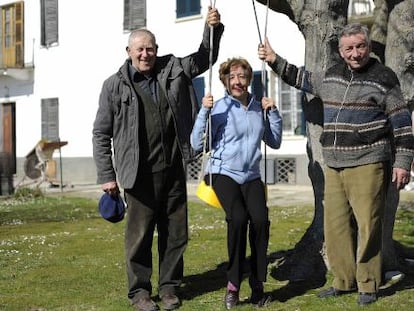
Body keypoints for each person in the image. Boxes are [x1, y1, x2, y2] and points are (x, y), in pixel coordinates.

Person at [258, 23, 414, 306]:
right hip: (334, 163)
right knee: (336, 225)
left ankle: (369, 283)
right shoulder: (331, 76)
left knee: (368, 225)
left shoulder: (384, 77)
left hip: (369, 161)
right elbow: (302, 78)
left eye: (360, 46)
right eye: (349, 48)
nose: (355, 53)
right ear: (341, 52)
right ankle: (344, 280)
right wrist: (274, 60)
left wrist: (403, 162)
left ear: (368, 46)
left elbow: (401, 123)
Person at [92, 7, 224, 311]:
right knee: (138, 238)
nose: (145, 54)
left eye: (150, 48)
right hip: (137, 173)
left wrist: (211, 28)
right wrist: (107, 175)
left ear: (157, 50)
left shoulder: (174, 68)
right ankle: (139, 292)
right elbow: (101, 133)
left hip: (174, 168)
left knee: (175, 234)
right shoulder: (114, 86)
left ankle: (168, 288)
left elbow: (205, 58)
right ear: (129, 51)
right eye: (139, 49)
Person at [190, 57, 283, 309]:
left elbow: (274, 141)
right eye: (232, 77)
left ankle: (257, 284)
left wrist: (273, 113)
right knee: (239, 219)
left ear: (249, 79)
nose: (237, 81)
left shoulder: (257, 107)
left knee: (261, 220)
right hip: (223, 173)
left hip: (251, 174)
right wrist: (204, 111)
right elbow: (198, 145)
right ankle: (233, 285)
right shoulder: (219, 108)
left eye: (242, 76)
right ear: (224, 81)